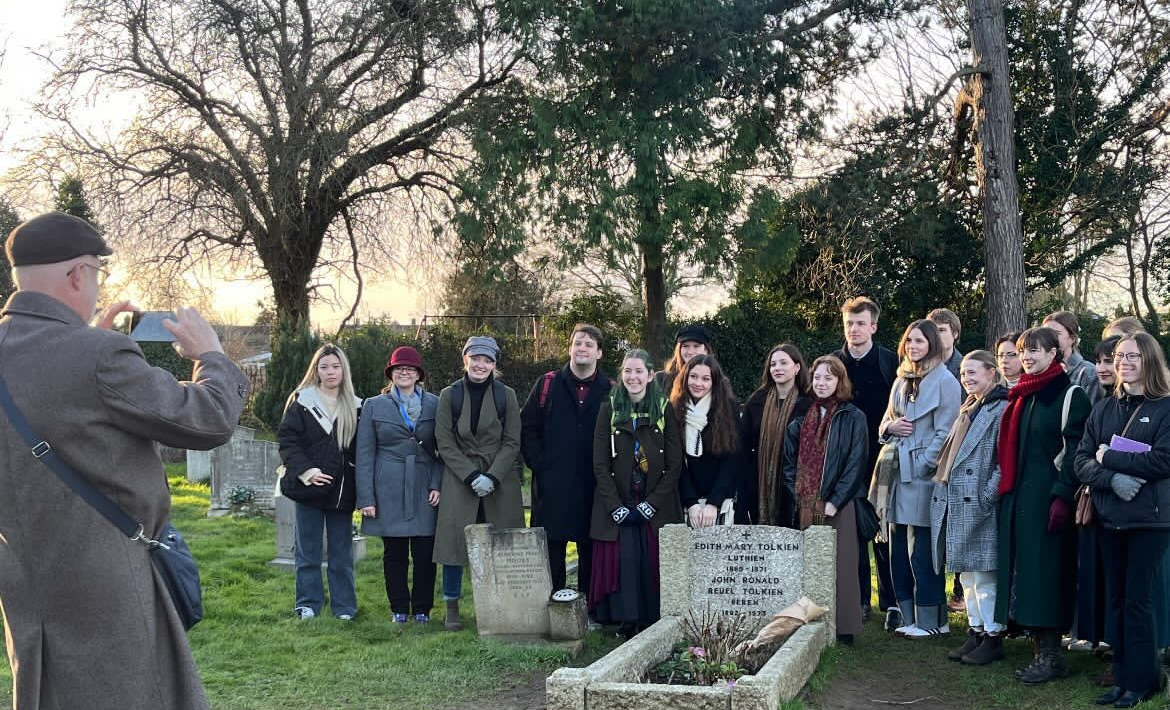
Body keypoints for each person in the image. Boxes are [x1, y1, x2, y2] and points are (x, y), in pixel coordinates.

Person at [0, 212, 248, 708]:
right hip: (110, 579)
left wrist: (90, 341)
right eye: (97, 272)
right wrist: (212, 357)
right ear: (77, 274)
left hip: (25, 582)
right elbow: (208, 419)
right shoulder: (96, 354)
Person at [1076, 332, 1170, 708]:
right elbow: (1081, 460)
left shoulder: (1165, 407)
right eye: (1119, 356)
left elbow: (1164, 460)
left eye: (1132, 356)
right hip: (1109, 516)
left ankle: (1144, 681)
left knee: (1137, 600)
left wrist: (1110, 458)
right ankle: (1122, 675)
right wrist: (1111, 477)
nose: (1123, 362)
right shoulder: (1104, 408)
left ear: (1149, 360)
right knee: (1115, 599)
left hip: (1150, 520)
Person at [994, 327, 1090, 685]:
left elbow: (1076, 450)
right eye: (1022, 351)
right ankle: (1038, 649)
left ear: (1054, 353)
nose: (1027, 357)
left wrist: (1062, 495)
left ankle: (1050, 656)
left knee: (1045, 576)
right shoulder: (1022, 395)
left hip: (1047, 502)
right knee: (1025, 572)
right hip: (1019, 500)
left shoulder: (1069, 395)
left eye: (1035, 350)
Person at [433, 336, 524, 630]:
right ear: (465, 360)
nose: (481, 365)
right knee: (454, 543)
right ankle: (452, 606)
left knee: (504, 541)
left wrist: (493, 476)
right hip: (461, 475)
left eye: (487, 360)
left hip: (500, 476)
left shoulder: (505, 395)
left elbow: (512, 440)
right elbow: (444, 442)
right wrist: (471, 475)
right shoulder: (450, 395)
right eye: (476, 358)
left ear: (494, 364)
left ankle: (506, 604)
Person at [590, 349, 683, 637]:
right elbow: (600, 463)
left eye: (638, 371)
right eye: (627, 371)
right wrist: (614, 504)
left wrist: (652, 504)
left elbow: (675, 463)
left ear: (650, 375)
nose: (633, 377)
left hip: (654, 501)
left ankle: (652, 618)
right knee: (623, 559)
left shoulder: (663, 408)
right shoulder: (610, 408)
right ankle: (624, 619)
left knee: (651, 561)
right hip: (619, 499)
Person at [878, 319, 961, 637]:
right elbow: (886, 420)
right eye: (909, 340)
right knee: (898, 548)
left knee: (923, 549)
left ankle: (933, 621)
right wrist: (890, 429)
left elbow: (946, 431)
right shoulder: (900, 379)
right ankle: (909, 617)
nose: (913, 346)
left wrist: (924, 463)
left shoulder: (946, 381)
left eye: (920, 341)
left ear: (932, 345)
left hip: (925, 477)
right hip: (896, 473)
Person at [928, 351, 1009, 665]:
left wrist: (988, 496)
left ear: (992, 373)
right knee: (968, 576)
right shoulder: (970, 407)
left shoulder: (1000, 408)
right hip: (960, 501)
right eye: (963, 373)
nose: (967, 378)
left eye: (973, 372)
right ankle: (976, 632)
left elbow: (1005, 460)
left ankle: (993, 637)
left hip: (979, 503)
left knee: (985, 576)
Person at [521, 324, 612, 594]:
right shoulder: (547, 384)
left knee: (591, 547)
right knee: (550, 546)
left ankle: (588, 605)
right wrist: (540, 464)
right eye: (577, 343)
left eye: (589, 344)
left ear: (599, 353)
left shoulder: (611, 390)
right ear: (570, 348)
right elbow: (527, 427)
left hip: (594, 484)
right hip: (552, 483)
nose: (582, 348)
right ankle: (550, 602)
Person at [782, 355, 867, 643]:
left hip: (838, 504)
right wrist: (799, 494)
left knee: (841, 565)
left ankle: (844, 628)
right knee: (809, 565)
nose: (821, 383)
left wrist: (835, 500)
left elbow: (856, 463)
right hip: (807, 503)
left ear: (839, 381)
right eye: (817, 377)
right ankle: (811, 624)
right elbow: (789, 463)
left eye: (828, 378)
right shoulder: (801, 418)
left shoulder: (853, 416)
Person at [356, 346, 442, 624]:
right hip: (388, 485)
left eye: (410, 368)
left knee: (424, 550)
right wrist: (366, 497)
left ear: (419, 374)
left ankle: (421, 609)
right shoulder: (373, 405)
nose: (404, 372)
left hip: (423, 483)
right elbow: (365, 453)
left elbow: (444, 449)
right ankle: (399, 609)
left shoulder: (436, 404)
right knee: (394, 551)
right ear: (390, 373)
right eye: (398, 368)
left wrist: (437, 484)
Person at [278, 343, 362, 621]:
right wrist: (308, 471)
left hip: (341, 492)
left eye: (335, 366)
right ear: (316, 370)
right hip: (308, 488)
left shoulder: (357, 405)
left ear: (344, 370)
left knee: (341, 552)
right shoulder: (302, 400)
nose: (330, 372)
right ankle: (308, 604)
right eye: (324, 367)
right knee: (308, 551)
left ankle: (344, 607)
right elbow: (288, 442)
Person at [834, 296, 898, 623]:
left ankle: (891, 601)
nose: (855, 330)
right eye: (850, 324)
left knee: (884, 530)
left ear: (873, 326)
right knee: (853, 531)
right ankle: (858, 600)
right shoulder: (833, 363)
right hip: (845, 464)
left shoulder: (890, 362)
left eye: (861, 323)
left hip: (882, 459)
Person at [738, 343, 810, 526]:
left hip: (792, 485)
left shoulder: (808, 404)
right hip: (758, 482)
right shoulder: (756, 401)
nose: (777, 368)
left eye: (783, 363)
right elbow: (743, 444)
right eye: (773, 364)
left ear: (797, 367)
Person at [671, 354, 740, 528]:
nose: (698, 383)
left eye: (705, 379)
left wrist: (713, 503)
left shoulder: (728, 408)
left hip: (721, 501)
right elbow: (675, 461)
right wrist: (691, 502)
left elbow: (732, 460)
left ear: (714, 382)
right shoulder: (674, 410)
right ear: (685, 378)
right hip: (687, 502)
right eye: (693, 377)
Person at [1043, 310, 1104, 404]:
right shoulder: (1040, 370)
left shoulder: (1088, 373)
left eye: (1056, 334)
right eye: (1045, 334)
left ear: (1072, 339)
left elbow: (1090, 414)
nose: (1049, 338)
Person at [656, 323, 713, 393]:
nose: (690, 352)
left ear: (706, 350)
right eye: (685, 346)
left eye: (696, 346)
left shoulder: (717, 380)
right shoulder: (661, 379)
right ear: (679, 350)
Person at [926, 308, 963, 380]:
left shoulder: (968, 369)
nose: (936, 335)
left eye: (941, 330)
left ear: (955, 333)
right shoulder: (916, 367)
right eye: (932, 330)